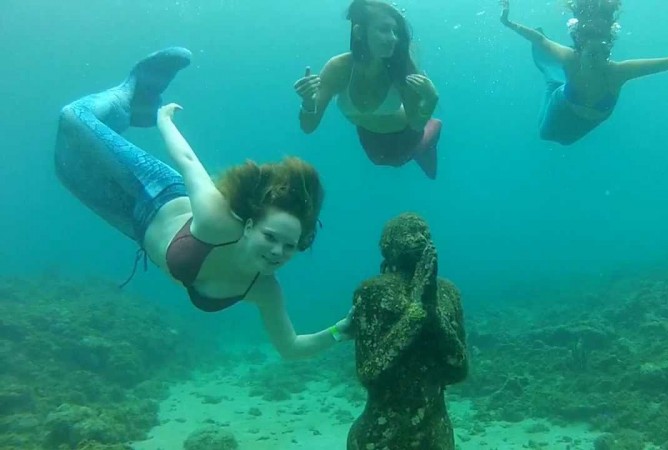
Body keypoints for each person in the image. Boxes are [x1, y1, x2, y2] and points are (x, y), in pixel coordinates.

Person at [54, 47, 352, 360]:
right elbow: (187, 161)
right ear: (249, 227)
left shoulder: (265, 290)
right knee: (73, 119)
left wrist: (339, 332)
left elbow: (290, 347)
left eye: (289, 246)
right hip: (160, 190)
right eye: (270, 237)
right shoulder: (215, 221)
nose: (278, 251)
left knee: (67, 171)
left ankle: (134, 109)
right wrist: (163, 120)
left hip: (133, 224)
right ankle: (128, 97)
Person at [500, 0, 668, 145]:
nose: (598, 59)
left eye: (603, 53)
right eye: (592, 54)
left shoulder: (618, 72)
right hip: (562, 106)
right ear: (580, 49)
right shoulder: (569, 57)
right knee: (545, 134)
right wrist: (509, 23)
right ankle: (551, 79)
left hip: (588, 122)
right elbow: (539, 39)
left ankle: (555, 77)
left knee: (566, 141)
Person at [347, 213, 468, 449]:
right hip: (381, 435)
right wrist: (415, 315)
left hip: (436, 433)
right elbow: (369, 373)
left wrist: (433, 314)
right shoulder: (373, 293)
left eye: (426, 232)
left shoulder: (448, 293)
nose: (421, 238)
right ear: (388, 244)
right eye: (411, 231)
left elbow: (458, 370)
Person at [293, 0, 442, 180]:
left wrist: (431, 99)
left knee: (404, 160)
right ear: (359, 32)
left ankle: (434, 127)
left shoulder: (401, 69)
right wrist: (308, 102)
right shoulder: (338, 69)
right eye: (385, 29)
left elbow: (417, 123)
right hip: (368, 139)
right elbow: (308, 127)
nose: (394, 38)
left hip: (406, 137)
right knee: (379, 162)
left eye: (395, 31)